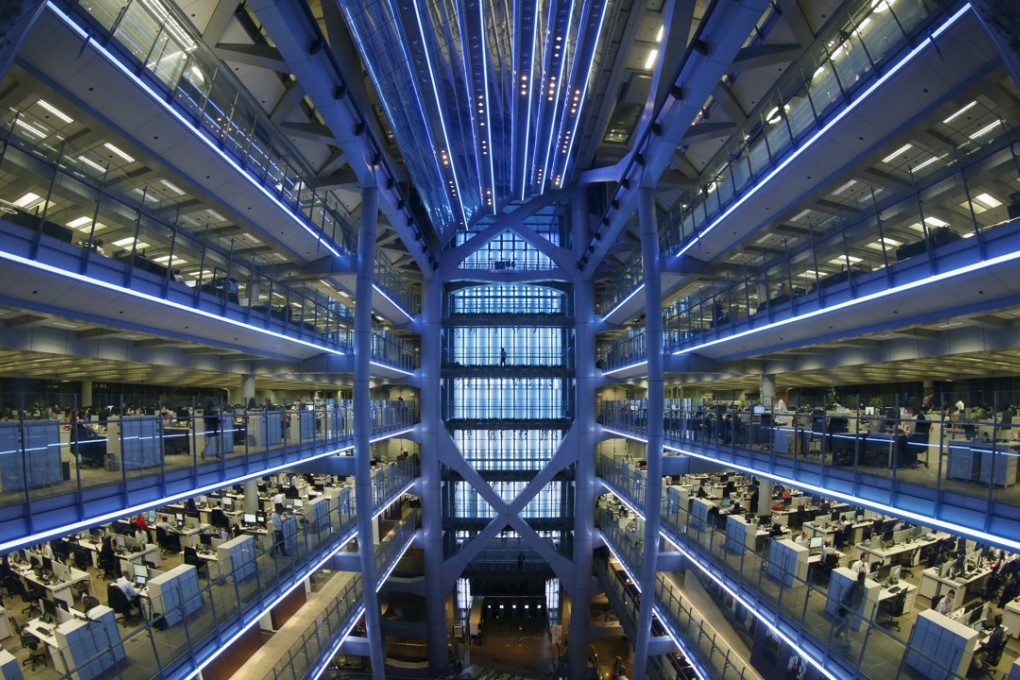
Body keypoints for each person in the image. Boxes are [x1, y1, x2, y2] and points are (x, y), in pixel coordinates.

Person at [833, 571, 866, 641]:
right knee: (848, 623)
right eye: (864, 577)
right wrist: (843, 603)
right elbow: (847, 594)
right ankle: (847, 640)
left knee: (846, 622)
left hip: (854, 608)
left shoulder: (862, 587)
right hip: (849, 606)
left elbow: (860, 598)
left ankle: (837, 632)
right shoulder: (855, 585)